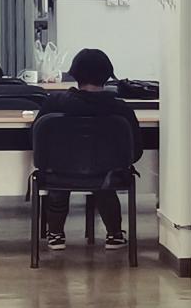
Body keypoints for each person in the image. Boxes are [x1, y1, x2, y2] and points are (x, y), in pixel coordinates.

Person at [36, 47, 140, 251]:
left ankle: (55, 234)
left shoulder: (54, 103)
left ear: (74, 75)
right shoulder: (121, 109)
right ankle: (114, 234)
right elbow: (135, 150)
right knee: (106, 174)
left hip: (59, 174)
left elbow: (37, 140)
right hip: (106, 176)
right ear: (108, 77)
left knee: (58, 173)